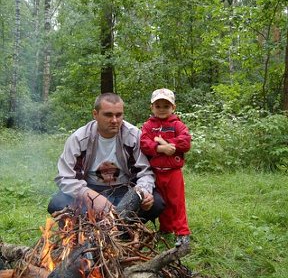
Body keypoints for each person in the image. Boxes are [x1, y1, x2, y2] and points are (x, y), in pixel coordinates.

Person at [48, 92, 165, 224]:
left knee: (156, 204)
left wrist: (143, 193)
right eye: (108, 115)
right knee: (56, 204)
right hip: (90, 188)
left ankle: (122, 231)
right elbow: (65, 177)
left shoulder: (133, 136)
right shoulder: (79, 138)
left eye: (119, 115)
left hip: (125, 189)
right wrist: (90, 195)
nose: (114, 120)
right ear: (95, 114)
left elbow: (145, 172)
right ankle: (93, 226)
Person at [140, 88, 191, 246]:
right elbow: (144, 143)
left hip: (173, 172)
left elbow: (185, 141)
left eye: (166, 106)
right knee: (162, 202)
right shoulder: (148, 126)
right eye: (158, 106)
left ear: (173, 107)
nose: (162, 109)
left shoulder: (178, 125)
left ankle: (182, 232)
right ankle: (166, 228)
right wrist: (160, 148)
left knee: (177, 202)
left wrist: (169, 144)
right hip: (156, 172)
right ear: (152, 107)